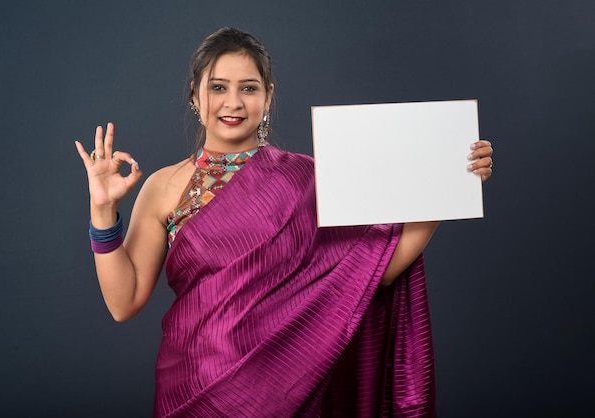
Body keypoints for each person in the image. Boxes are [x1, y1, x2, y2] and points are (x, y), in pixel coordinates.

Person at [75, 27, 493, 417]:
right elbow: (123, 302)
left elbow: (379, 268)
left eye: (249, 88)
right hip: (193, 385)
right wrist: (102, 211)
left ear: (268, 97)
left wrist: (447, 186)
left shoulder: (312, 179)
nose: (233, 102)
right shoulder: (162, 187)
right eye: (218, 87)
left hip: (289, 386)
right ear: (194, 96)